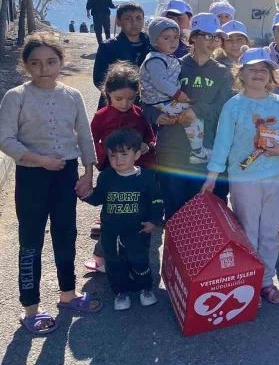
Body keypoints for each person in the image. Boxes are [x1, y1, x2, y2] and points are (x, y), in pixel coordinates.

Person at [0, 33, 102, 335]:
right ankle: (30, 307)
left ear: (61, 62)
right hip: (32, 175)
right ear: (26, 65)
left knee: (66, 233)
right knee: (31, 239)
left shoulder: (71, 95)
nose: (44, 68)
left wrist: (88, 171)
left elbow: (84, 135)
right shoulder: (16, 96)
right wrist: (38, 159)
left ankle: (67, 295)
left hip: (65, 174)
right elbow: (5, 139)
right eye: (36, 63)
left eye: (50, 61)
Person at [202, 48, 279, 305]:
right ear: (241, 74)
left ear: (271, 75)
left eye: (263, 70)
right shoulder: (233, 106)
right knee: (248, 232)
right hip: (243, 178)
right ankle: (248, 282)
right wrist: (213, 174)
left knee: (269, 232)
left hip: (272, 177)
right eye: (252, 69)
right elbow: (222, 142)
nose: (258, 73)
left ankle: (266, 281)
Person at [142, 15, 233, 219]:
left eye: (217, 37)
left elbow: (225, 109)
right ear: (193, 38)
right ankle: (173, 252)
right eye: (208, 36)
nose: (213, 42)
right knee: (174, 213)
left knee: (202, 215)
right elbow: (146, 100)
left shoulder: (223, 73)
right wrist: (157, 116)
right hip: (172, 150)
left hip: (204, 154)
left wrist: (196, 111)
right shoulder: (172, 65)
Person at [85, 61, 157, 273]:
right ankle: (100, 256)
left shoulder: (139, 114)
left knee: (136, 216)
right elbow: (90, 141)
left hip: (136, 174)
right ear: (107, 93)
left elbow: (151, 137)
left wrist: (146, 146)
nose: (125, 104)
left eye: (130, 98)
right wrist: (100, 161)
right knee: (112, 219)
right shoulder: (101, 116)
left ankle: (135, 258)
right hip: (111, 173)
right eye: (118, 99)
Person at [79, 128, 163, 311]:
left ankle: (145, 289)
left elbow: (156, 201)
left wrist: (153, 221)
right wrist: (85, 195)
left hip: (138, 231)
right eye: (113, 156)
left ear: (137, 154)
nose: (118, 160)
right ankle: (121, 292)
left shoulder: (147, 177)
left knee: (139, 261)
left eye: (124, 154)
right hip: (111, 232)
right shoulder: (107, 177)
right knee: (115, 263)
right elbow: (99, 198)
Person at [139, 17, 209, 164]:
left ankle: (196, 150)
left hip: (164, 101)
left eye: (176, 37)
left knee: (190, 117)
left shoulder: (167, 58)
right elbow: (160, 82)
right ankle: (197, 152)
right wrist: (178, 94)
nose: (173, 41)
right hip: (161, 102)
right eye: (166, 38)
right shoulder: (155, 60)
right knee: (193, 117)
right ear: (155, 40)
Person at [92, 1, 151, 109]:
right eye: (128, 18)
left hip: (146, 105)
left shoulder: (152, 46)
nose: (134, 23)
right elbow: (99, 78)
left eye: (139, 18)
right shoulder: (108, 47)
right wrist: (120, 96)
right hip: (116, 105)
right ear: (118, 22)